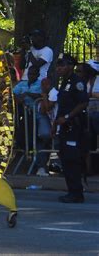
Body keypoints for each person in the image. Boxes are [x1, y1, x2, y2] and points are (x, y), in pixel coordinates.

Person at [53, 54, 89, 203]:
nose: (59, 68)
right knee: (66, 159)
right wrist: (56, 123)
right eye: (58, 65)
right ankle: (72, 191)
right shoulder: (65, 82)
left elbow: (83, 103)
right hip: (65, 127)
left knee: (72, 160)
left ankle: (76, 193)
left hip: (74, 126)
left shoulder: (77, 82)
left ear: (70, 66)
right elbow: (62, 105)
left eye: (62, 65)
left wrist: (67, 117)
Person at [35, 78, 58, 176]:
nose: (42, 88)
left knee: (58, 146)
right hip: (51, 123)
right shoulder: (48, 94)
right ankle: (42, 167)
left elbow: (49, 107)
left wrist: (44, 96)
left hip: (58, 125)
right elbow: (43, 111)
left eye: (44, 85)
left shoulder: (54, 93)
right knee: (44, 142)